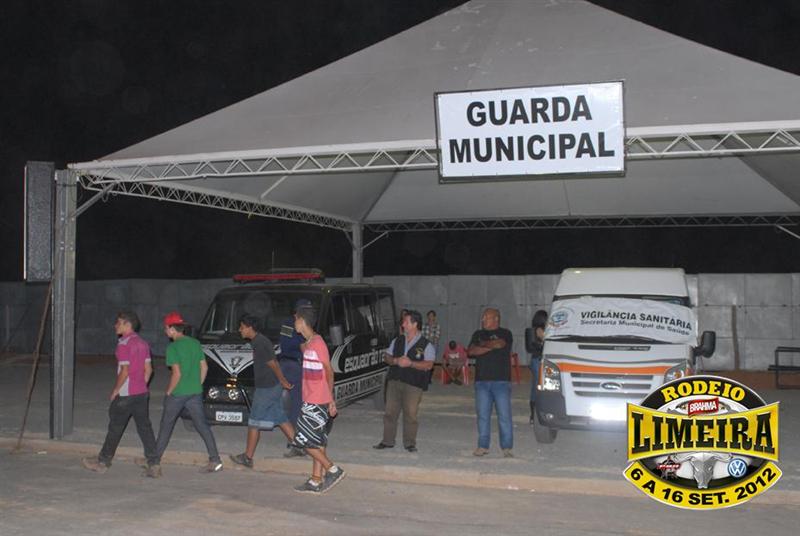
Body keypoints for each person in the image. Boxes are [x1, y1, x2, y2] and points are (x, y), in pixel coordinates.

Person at [146, 311, 223, 477]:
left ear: (172, 329)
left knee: (166, 426)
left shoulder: (172, 348)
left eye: (166, 328)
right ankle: (215, 460)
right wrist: (196, 384)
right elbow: (204, 368)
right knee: (202, 425)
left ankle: (154, 464)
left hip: (178, 393)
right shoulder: (195, 343)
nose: (165, 331)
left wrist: (169, 391)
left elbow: (177, 374)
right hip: (195, 392)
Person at [82, 311, 158, 473]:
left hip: (126, 394)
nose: (115, 325)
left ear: (127, 325)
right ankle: (153, 462)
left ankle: (103, 462)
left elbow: (125, 371)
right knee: (145, 427)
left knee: (115, 428)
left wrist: (116, 390)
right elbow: (149, 370)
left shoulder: (123, 344)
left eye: (118, 322)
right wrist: (140, 386)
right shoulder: (143, 343)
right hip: (142, 393)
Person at [229, 314, 295, 468]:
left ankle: (248, 457)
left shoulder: (259, 342)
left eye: (242, 327)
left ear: (250, 328)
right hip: (271, 386)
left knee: (254, 422)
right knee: (280, 417)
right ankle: (298, 445)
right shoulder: (259, 341)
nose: (240, 330)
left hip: (267, 388)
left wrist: (282, 380)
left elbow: (272, 363)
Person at [291, 307, 346, 494]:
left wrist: (330, 399)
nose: (293, 322)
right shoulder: (310, 342)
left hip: (316, 399)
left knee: (302, 439)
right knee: (317, 441)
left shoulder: (318, 343)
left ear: (302, 321)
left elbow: (329, 371)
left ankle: (333, 470)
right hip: (312, 397)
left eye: (296, 319)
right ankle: (316, 480)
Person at [373, 310, 435, 453]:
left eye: (406, 322)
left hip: (414, 384)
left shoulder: (426, 345)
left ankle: (409, 443)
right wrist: (395, 361)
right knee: (390, 412)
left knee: (410, 414)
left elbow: (429, 365)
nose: (403, 324)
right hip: (394, 381)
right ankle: (387, 441)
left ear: (415, 324)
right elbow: (387, 357)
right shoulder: (397, 340)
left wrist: (411, 363)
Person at [468, 308, 514, 458]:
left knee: (504, 415)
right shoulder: (477, 334)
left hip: (501, 381)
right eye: (483, 317)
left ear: (496, 319)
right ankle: (483, 446)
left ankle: (507, 447)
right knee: (483, 415)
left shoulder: (505, 333)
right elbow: (471, 351)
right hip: (481, 381)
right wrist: (490, 346)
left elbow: (501, 344)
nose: (483, 320)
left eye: (486, 317)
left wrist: (483, 345)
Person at [278, 298, 312, 458]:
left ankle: (294, 439)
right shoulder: (298, 324)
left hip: (286, 364)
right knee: (297, 405)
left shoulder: (287, 323)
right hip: (295, 366)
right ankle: (296, 442)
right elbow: (304, 348)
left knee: (291, 404)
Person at [529, 310, 548, 425]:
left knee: (536, 386)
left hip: (537, 360)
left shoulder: (536, 329)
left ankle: (533, 415)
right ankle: (534, 415)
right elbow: (546, 340)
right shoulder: (539, 330)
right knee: (537, 387)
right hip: (538, 360)